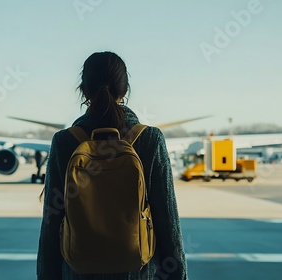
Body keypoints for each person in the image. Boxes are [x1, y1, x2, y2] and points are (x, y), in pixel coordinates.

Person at [37, 51, 188, 279]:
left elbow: (51, 225)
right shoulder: (150, 139)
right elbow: (168, 224)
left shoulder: (65, 141)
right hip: (138, 272)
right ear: (125, 89)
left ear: (83, 89)